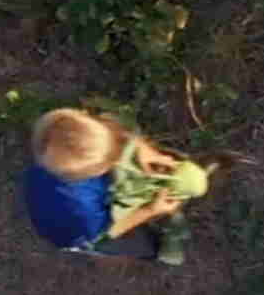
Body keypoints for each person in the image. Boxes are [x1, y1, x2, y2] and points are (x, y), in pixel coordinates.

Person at [21, 108, 209, 265]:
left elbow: (114, 129)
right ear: (93, 173)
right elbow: (107, 233)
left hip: (41, 192)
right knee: (127, 244)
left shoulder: (58, 141)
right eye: (109, 161)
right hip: (75, 233)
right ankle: (157, 253)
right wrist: (149, 210)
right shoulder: (83, 211)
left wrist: (143, 149)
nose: (117, 159)